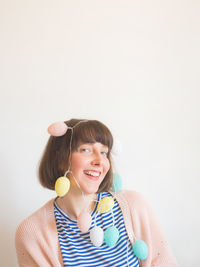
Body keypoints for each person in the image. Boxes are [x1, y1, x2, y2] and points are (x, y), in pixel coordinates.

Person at [15, 118, 178, 267]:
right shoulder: (32, 232)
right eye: (86, 150)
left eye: (103, 152)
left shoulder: (133, 205)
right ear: (62, 159)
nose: (99, 161)